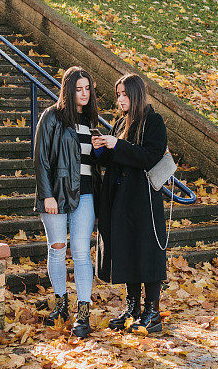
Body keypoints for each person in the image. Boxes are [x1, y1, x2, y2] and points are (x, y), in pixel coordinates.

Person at [92, 73, 168, 334]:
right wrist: (101, 149)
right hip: (120, 199)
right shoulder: (120, 122)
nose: (120, 99)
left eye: (124, 94)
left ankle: (152, 312)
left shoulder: (153, 121)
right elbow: (115, 160)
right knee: (127, 251)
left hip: (143, 200)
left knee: (147, 252)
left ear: (135, 94)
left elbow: (149, 156)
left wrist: (118, 144)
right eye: (118, 95)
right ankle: (133, 308)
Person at [33, 66, 101, 338]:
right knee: (58, 248)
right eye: (78, 89)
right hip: (56, 194)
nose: (84, 94)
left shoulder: (91, 120)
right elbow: (40, 158)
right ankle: (61, 303)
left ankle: (83, 313)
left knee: (82, 252)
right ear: (68, 90)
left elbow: (88, 163)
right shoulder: (52, 117)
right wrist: (47, 194)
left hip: (85, 194)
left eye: (87, 89)